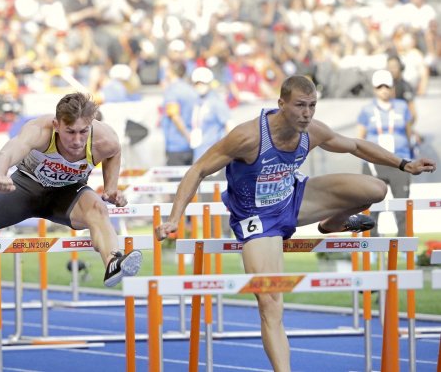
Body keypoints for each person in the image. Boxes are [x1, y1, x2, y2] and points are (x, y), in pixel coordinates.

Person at [155, 76, 435, 371]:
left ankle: (332, 223)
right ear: (281, 104)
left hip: (294, 200)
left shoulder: (311, 131)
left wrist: (404, 164)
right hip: (258, 219)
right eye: (300, 106)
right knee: (271, 302)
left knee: (376, 189)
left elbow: (354, 145)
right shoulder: (248, 136)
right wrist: (174, 218)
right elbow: (198, 169)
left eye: (312, 106)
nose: (307, 113)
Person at [0, 93, 142, 287]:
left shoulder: (104, 139)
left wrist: (111, 188)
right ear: (57, 125)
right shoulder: (40, 130)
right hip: (24, 189)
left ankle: (114, 261)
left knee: (97, 208)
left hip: (68, 194)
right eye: (70, 132)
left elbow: (114, 153)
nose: (77, 141)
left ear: (91, 125)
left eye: (83, 131)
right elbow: (6, 154)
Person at [358, 69, 414, 237]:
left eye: (387, 86)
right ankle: (371, 245)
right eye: (380, 86)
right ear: (375, 89)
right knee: (370, 206)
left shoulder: (402, 106)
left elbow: (408, 132)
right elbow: (360, 138)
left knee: (402, 205)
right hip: (374, 163)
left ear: (392, 88)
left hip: (400, 161)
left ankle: (405, 247)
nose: (384, 89)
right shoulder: (367, 110)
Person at [190, 67, 233, 162]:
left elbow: (229, 127)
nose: (200, 86)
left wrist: (227, 152)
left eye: (203, 83)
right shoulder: (197, 102)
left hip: (214, 156)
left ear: (209, 83)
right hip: (199, 154)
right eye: (197, 83)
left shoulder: (216, 102)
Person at [161, 61, 198, 167]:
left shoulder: (172, 91)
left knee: (175, 182)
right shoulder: (191, 90)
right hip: (189, 145)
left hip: (176, 144)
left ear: (170, 72)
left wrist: (187, 135)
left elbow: (175, 116)